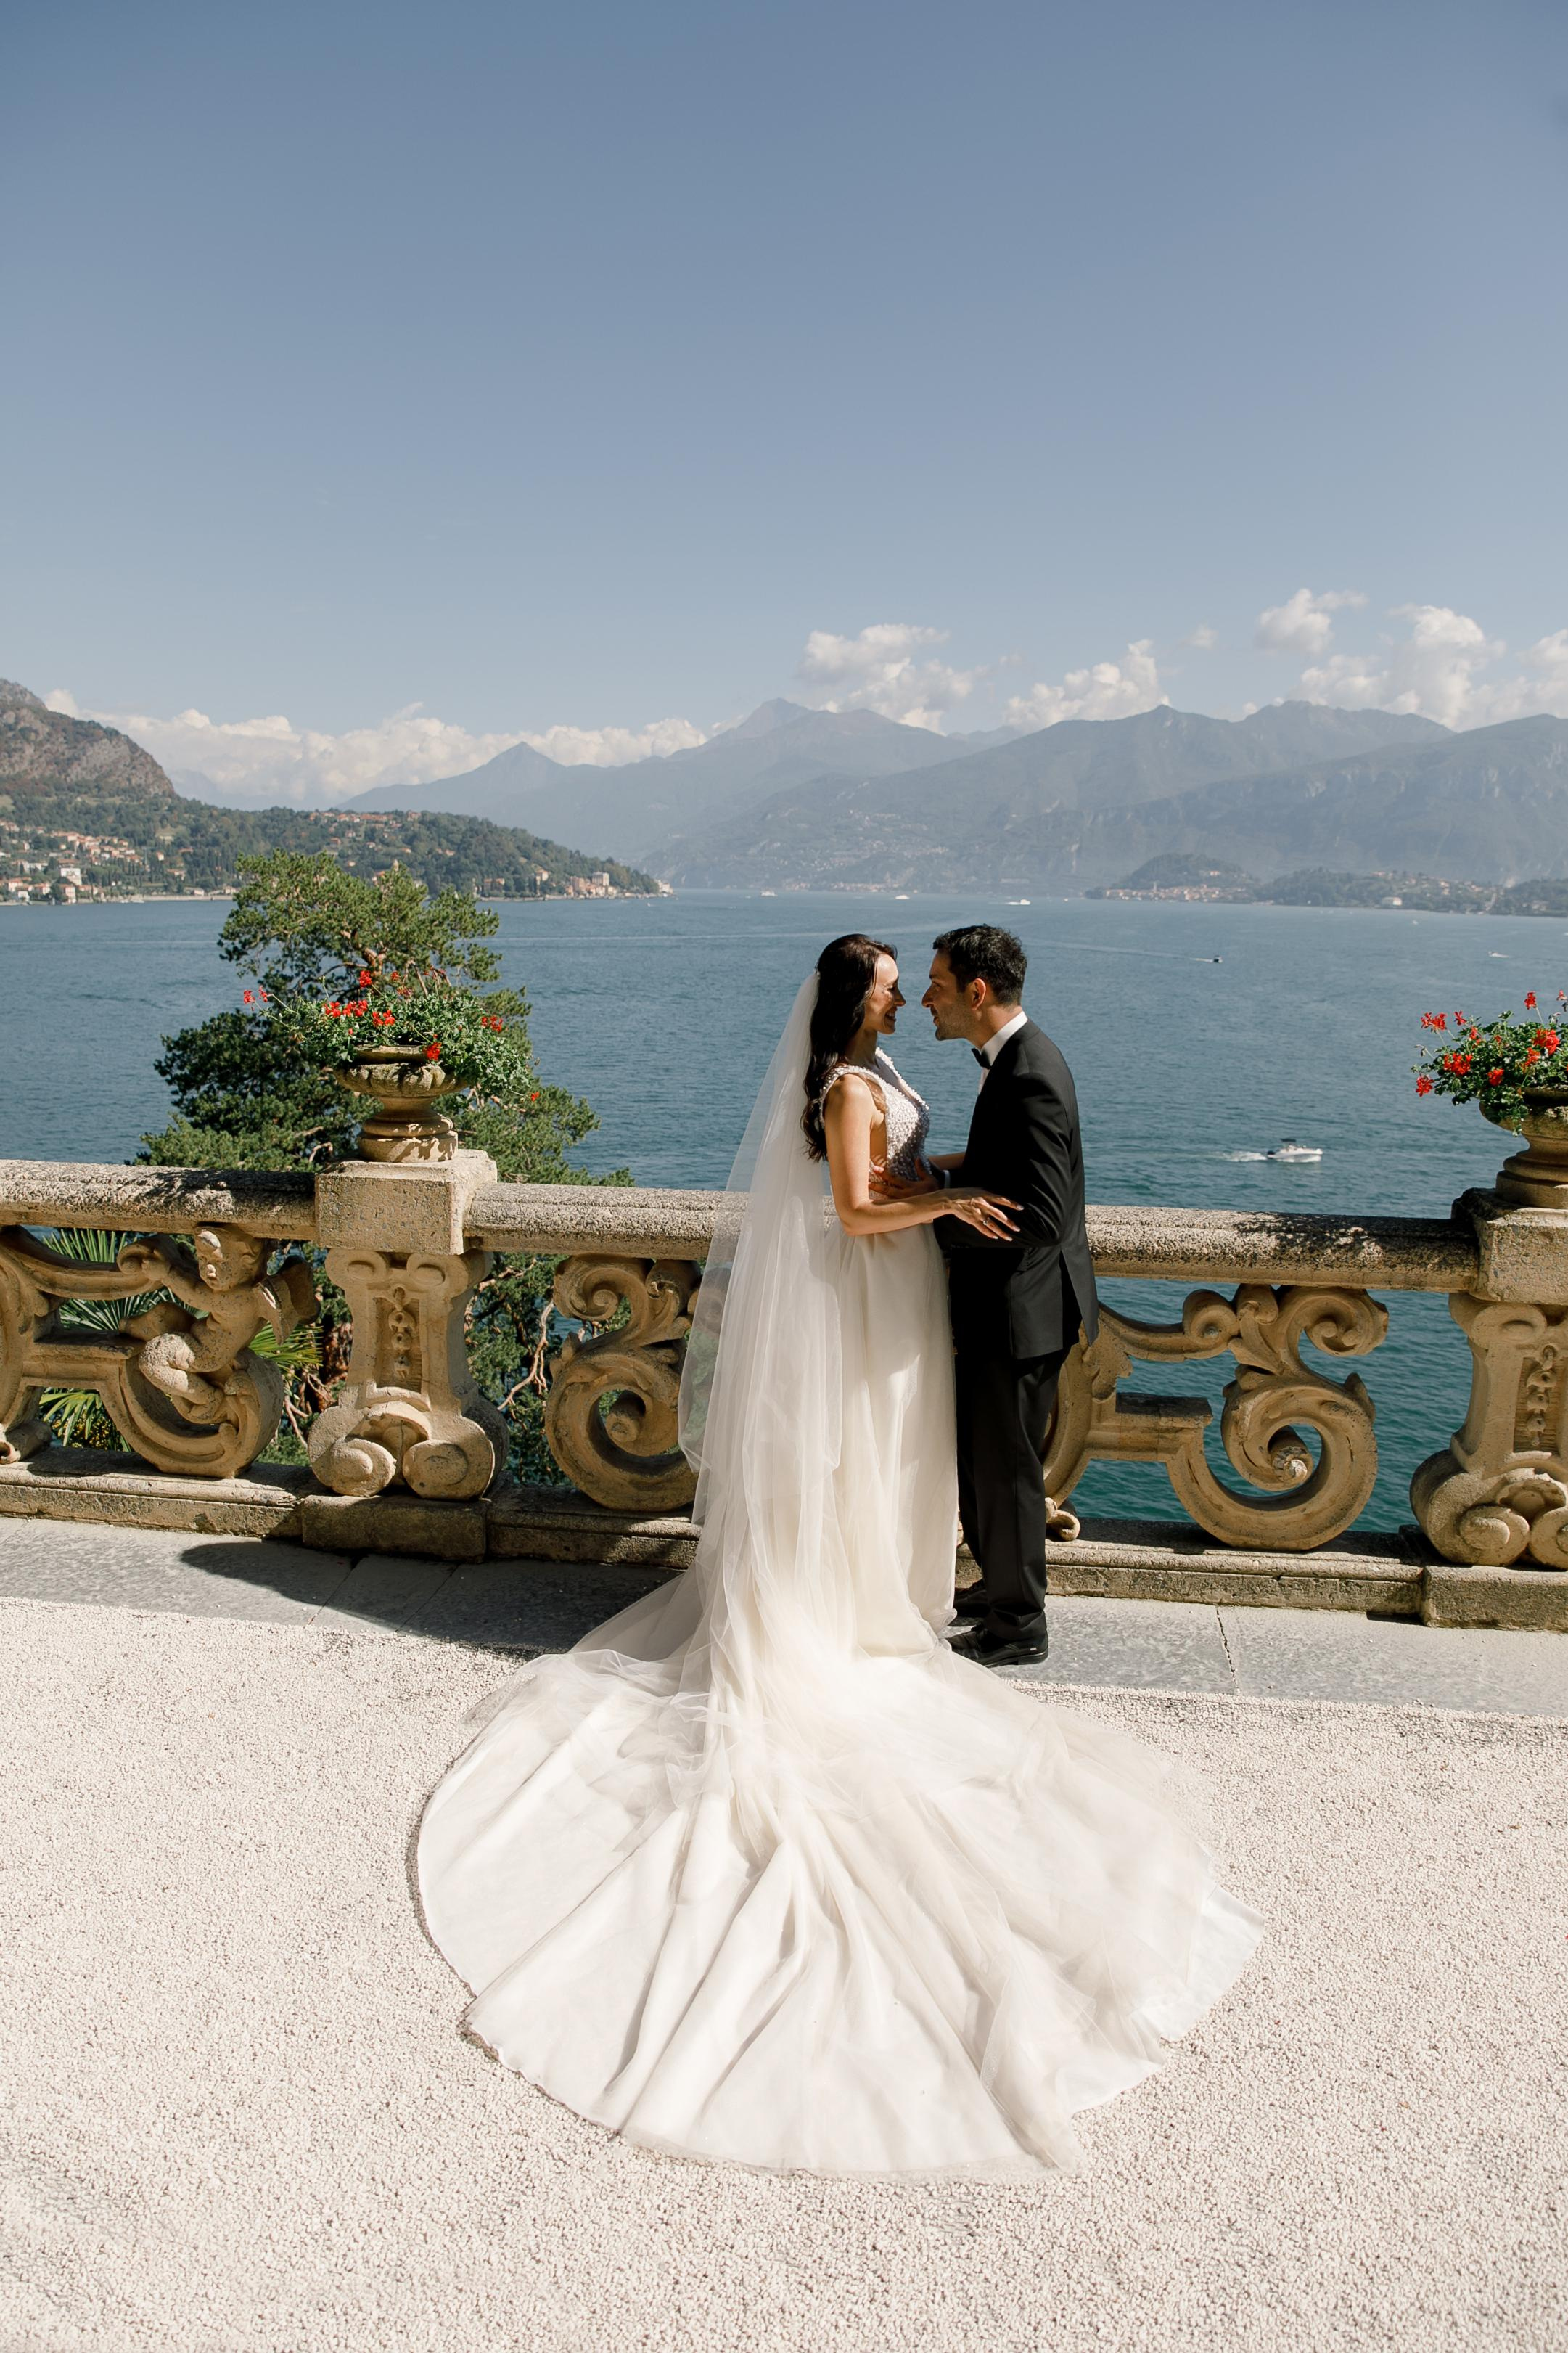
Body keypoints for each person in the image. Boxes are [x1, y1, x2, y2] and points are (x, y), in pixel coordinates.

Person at [417, 934, 1260, 2177]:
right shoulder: (848, 1082)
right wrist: (945, 1199)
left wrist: (952, 1179)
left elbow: (913, 1177)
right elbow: (863, 1205)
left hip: (901, 1292)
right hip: (876, 1282)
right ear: (849, 999)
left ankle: (889, 1590)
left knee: (889, 1454)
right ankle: (848, 1604)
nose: (904, 990)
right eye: (885, 980)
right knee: (867, 1447)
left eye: (913, 978)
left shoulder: (891, 1076)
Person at [919, 924, 1096, 1666]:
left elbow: (1043, 1215)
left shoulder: (1029, 1071)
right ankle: (998, 1587)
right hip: (1015, 1304)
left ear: (976, 992)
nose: (925, 999)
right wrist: (934, 1176)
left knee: (1009, 1471)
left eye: (936, 985)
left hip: (1021, 1309)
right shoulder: (1016, 1059)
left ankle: (1019, 1624)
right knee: (984, 1463)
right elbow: (1006, 1164)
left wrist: (932, 1220)